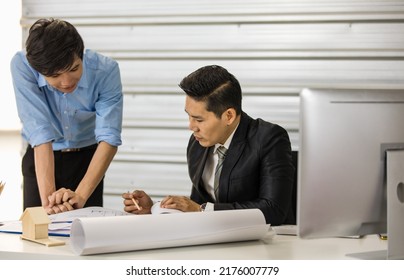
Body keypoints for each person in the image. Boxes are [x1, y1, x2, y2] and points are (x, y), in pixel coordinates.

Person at [122, 65, 295, 225]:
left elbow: (274, 210)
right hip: (217, 238)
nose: (191, 126)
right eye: (189, 116)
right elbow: (195, 207)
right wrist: (154, 209)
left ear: (228, 116)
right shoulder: (198, 142)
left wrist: (201, 209)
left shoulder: (270, 138)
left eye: (198, 119)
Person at [11, 18, 123, 214]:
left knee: (86, 233)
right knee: (39, 233)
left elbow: (109, 137)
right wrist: (50, 205)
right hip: (41, 157)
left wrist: (80, 196)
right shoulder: (23, 65)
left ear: (81, 55)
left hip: (87, 160)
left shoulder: (106, 71)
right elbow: (40, 131)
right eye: (54, 75)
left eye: (73, 69)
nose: (66, 82)